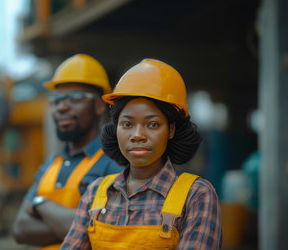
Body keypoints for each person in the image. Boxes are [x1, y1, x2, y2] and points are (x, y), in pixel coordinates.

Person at [61, 59, 222, 249]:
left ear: (171, 130)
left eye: (152, 124)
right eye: (127, 124)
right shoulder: (95, 193)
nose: (137, 135)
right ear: (116, 129)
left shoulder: (196, 195)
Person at [12, 54, 122, 249]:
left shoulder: (114, 162)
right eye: (57, 100)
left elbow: (106, 229)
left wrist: (40, 205)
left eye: (74, 98)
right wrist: (78, 225)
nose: (62, 107)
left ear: (98, 105)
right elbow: (20, 229)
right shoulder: (50, 165)